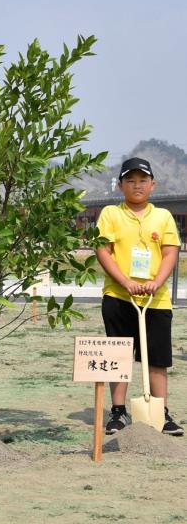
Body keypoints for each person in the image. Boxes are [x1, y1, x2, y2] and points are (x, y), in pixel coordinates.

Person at [95, 157, 183, 436]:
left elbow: (170, 252)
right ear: (120, 185)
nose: (136, 185)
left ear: (152, 185)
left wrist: (156, 282)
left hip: (155, 300)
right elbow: (103, 250)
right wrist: (125, 282)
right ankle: (118, 412)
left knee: (157, 357)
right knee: (118, 355)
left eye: (142, 180)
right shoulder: (110, 214)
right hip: (119, 297)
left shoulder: (163, 217)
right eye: (130, 180)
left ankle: (161, 412)